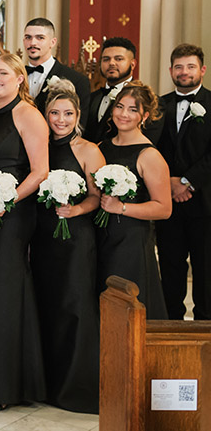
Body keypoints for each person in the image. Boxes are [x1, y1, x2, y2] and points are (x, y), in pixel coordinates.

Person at [0, 53, 49, 409]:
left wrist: (8, 200)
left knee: (4, 293)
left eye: (3, 73)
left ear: (20, 79)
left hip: (12, 215)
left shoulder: (28, 115)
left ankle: (4, 388)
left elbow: (39, 172)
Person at [30, 78, 103, 413]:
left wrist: (75, 209)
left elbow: (97, 195)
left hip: (75, 239)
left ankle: (75, 386)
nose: (60, 119)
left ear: (78, 116)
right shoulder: (38, 145)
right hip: (42, 237)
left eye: (68, 113)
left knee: (73, 307)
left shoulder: (88, 149)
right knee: (45, 304)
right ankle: (47, 383)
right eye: (54, 112)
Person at [97, 83, 172, 319]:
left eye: (132, 109)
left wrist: (121, 207)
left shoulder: (149, 155)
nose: (123, 114)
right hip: (101, 237)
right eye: (119, 106)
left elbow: (164, 208)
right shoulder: (101, 147)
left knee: (127, 309)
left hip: (130, 241)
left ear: (145, 116)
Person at [155, 44, 211, 320]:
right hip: (167, 203)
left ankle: (205, 331)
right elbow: (150, 149)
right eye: (179, 67)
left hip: (205, 203)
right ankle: (170, 327)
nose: (184, 72)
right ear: (170, 71)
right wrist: (168, 182)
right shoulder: (157, 106)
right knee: (170, 267)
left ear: (201, 70)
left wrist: (187, 181)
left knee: (206, 270)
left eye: (190, 66)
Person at [22, 18, 90, 119]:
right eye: (28, 37)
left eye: (40, 38)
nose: (32, 43)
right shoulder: (13, 75)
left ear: (52, 42)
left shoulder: (77, 80)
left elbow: (80, 124)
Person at [84, 37, 136, 143]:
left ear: (132, 64)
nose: (111, 63)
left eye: (118, 59)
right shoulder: (91, 98)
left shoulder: (144, 99)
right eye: (106, 59)